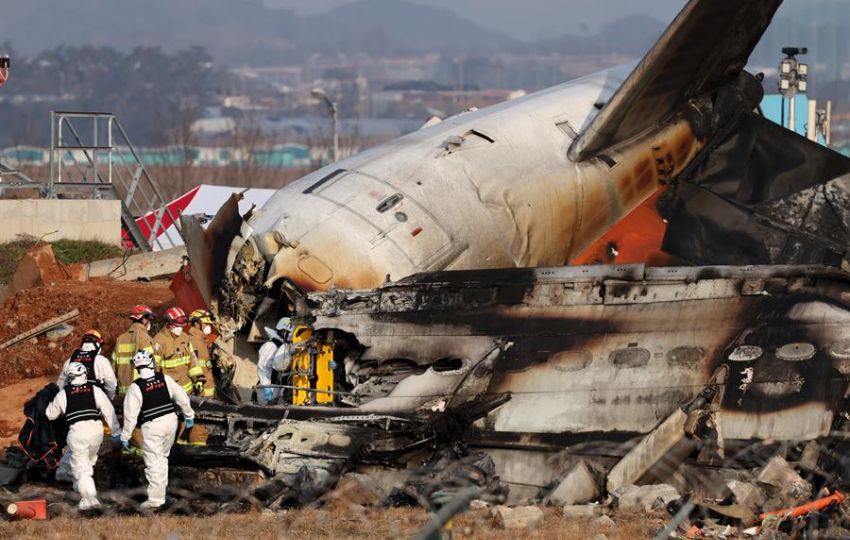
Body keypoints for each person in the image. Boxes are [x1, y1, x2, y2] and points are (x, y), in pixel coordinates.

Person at [120, 350, 194, 510]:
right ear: (151, 363)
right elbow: (182, 397)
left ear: (136, 368)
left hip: (153, 426)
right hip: (171, 421)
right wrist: (189, 415)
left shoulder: (135, 387)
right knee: (162, 458)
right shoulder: (164, 379)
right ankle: (161, 491)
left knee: (154, 462)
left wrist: (125, 436)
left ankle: (155, 499)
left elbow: (130, 416)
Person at [46, 362, 120, 509]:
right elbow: (108, 411)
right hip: (96, 433)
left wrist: (49, 401)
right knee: (87, 462)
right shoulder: (94, 390)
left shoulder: (64, 394)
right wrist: (116, 432)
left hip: (78, 433)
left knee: (82, 469)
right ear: (84, 374)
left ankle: (89, 501)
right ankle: (77, 486)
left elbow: (50, 415)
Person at [57, 330, 117, 399]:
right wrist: (109, 399)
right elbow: (111, 385)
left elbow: (60, 385)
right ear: (98, 345)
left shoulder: (69, 361)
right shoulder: (101, 361)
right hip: (94, 404)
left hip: (73, 404)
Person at [112, 305, 157, 397]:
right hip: (141, 391)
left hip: (123, 392)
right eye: (149, 319)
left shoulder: (120, 339)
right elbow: (152, 366)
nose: (149, 322)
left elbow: (113, 367)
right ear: (144, 320)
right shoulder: (145, 338)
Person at [152, 307, 195, 395]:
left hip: (189, 392)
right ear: (168, 323)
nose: (180, 328)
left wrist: (198, 379)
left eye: (181, 326)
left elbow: (193, 360)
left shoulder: (185, 337)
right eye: (177, 325)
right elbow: (155, 370)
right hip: (171, 393)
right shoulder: (158, 341)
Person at [256, 317, 293, 405]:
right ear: (283, 331)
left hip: (279, 388)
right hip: (269, 388)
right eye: (288, 332)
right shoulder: (271, 346)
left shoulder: (286, 347)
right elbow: (263, 368)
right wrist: (266, 387)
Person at [187, 309, 217, 398]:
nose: (208, 327)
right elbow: (193, 366)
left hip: (208, 387)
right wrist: (200, 392)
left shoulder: (202, 339)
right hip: (202, 393)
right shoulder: (193, 341)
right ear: (196, 324)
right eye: (206, 324)